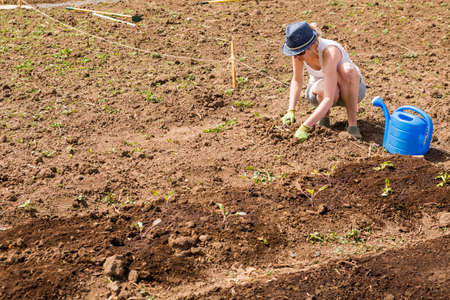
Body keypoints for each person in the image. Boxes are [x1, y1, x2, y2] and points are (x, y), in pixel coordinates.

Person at [280, 21, 366, 142]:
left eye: (302, 52)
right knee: (322, 87)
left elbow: (328, 99)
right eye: (295, 53)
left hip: (353, 90)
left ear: (313, 44)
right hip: (324, 92)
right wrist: (291, 109)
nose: (298, 57)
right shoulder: (298, 54)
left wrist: (305, 126)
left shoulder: (329, 51)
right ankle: (324, 120)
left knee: (347, 70)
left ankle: (352, 125)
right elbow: (297, 80)